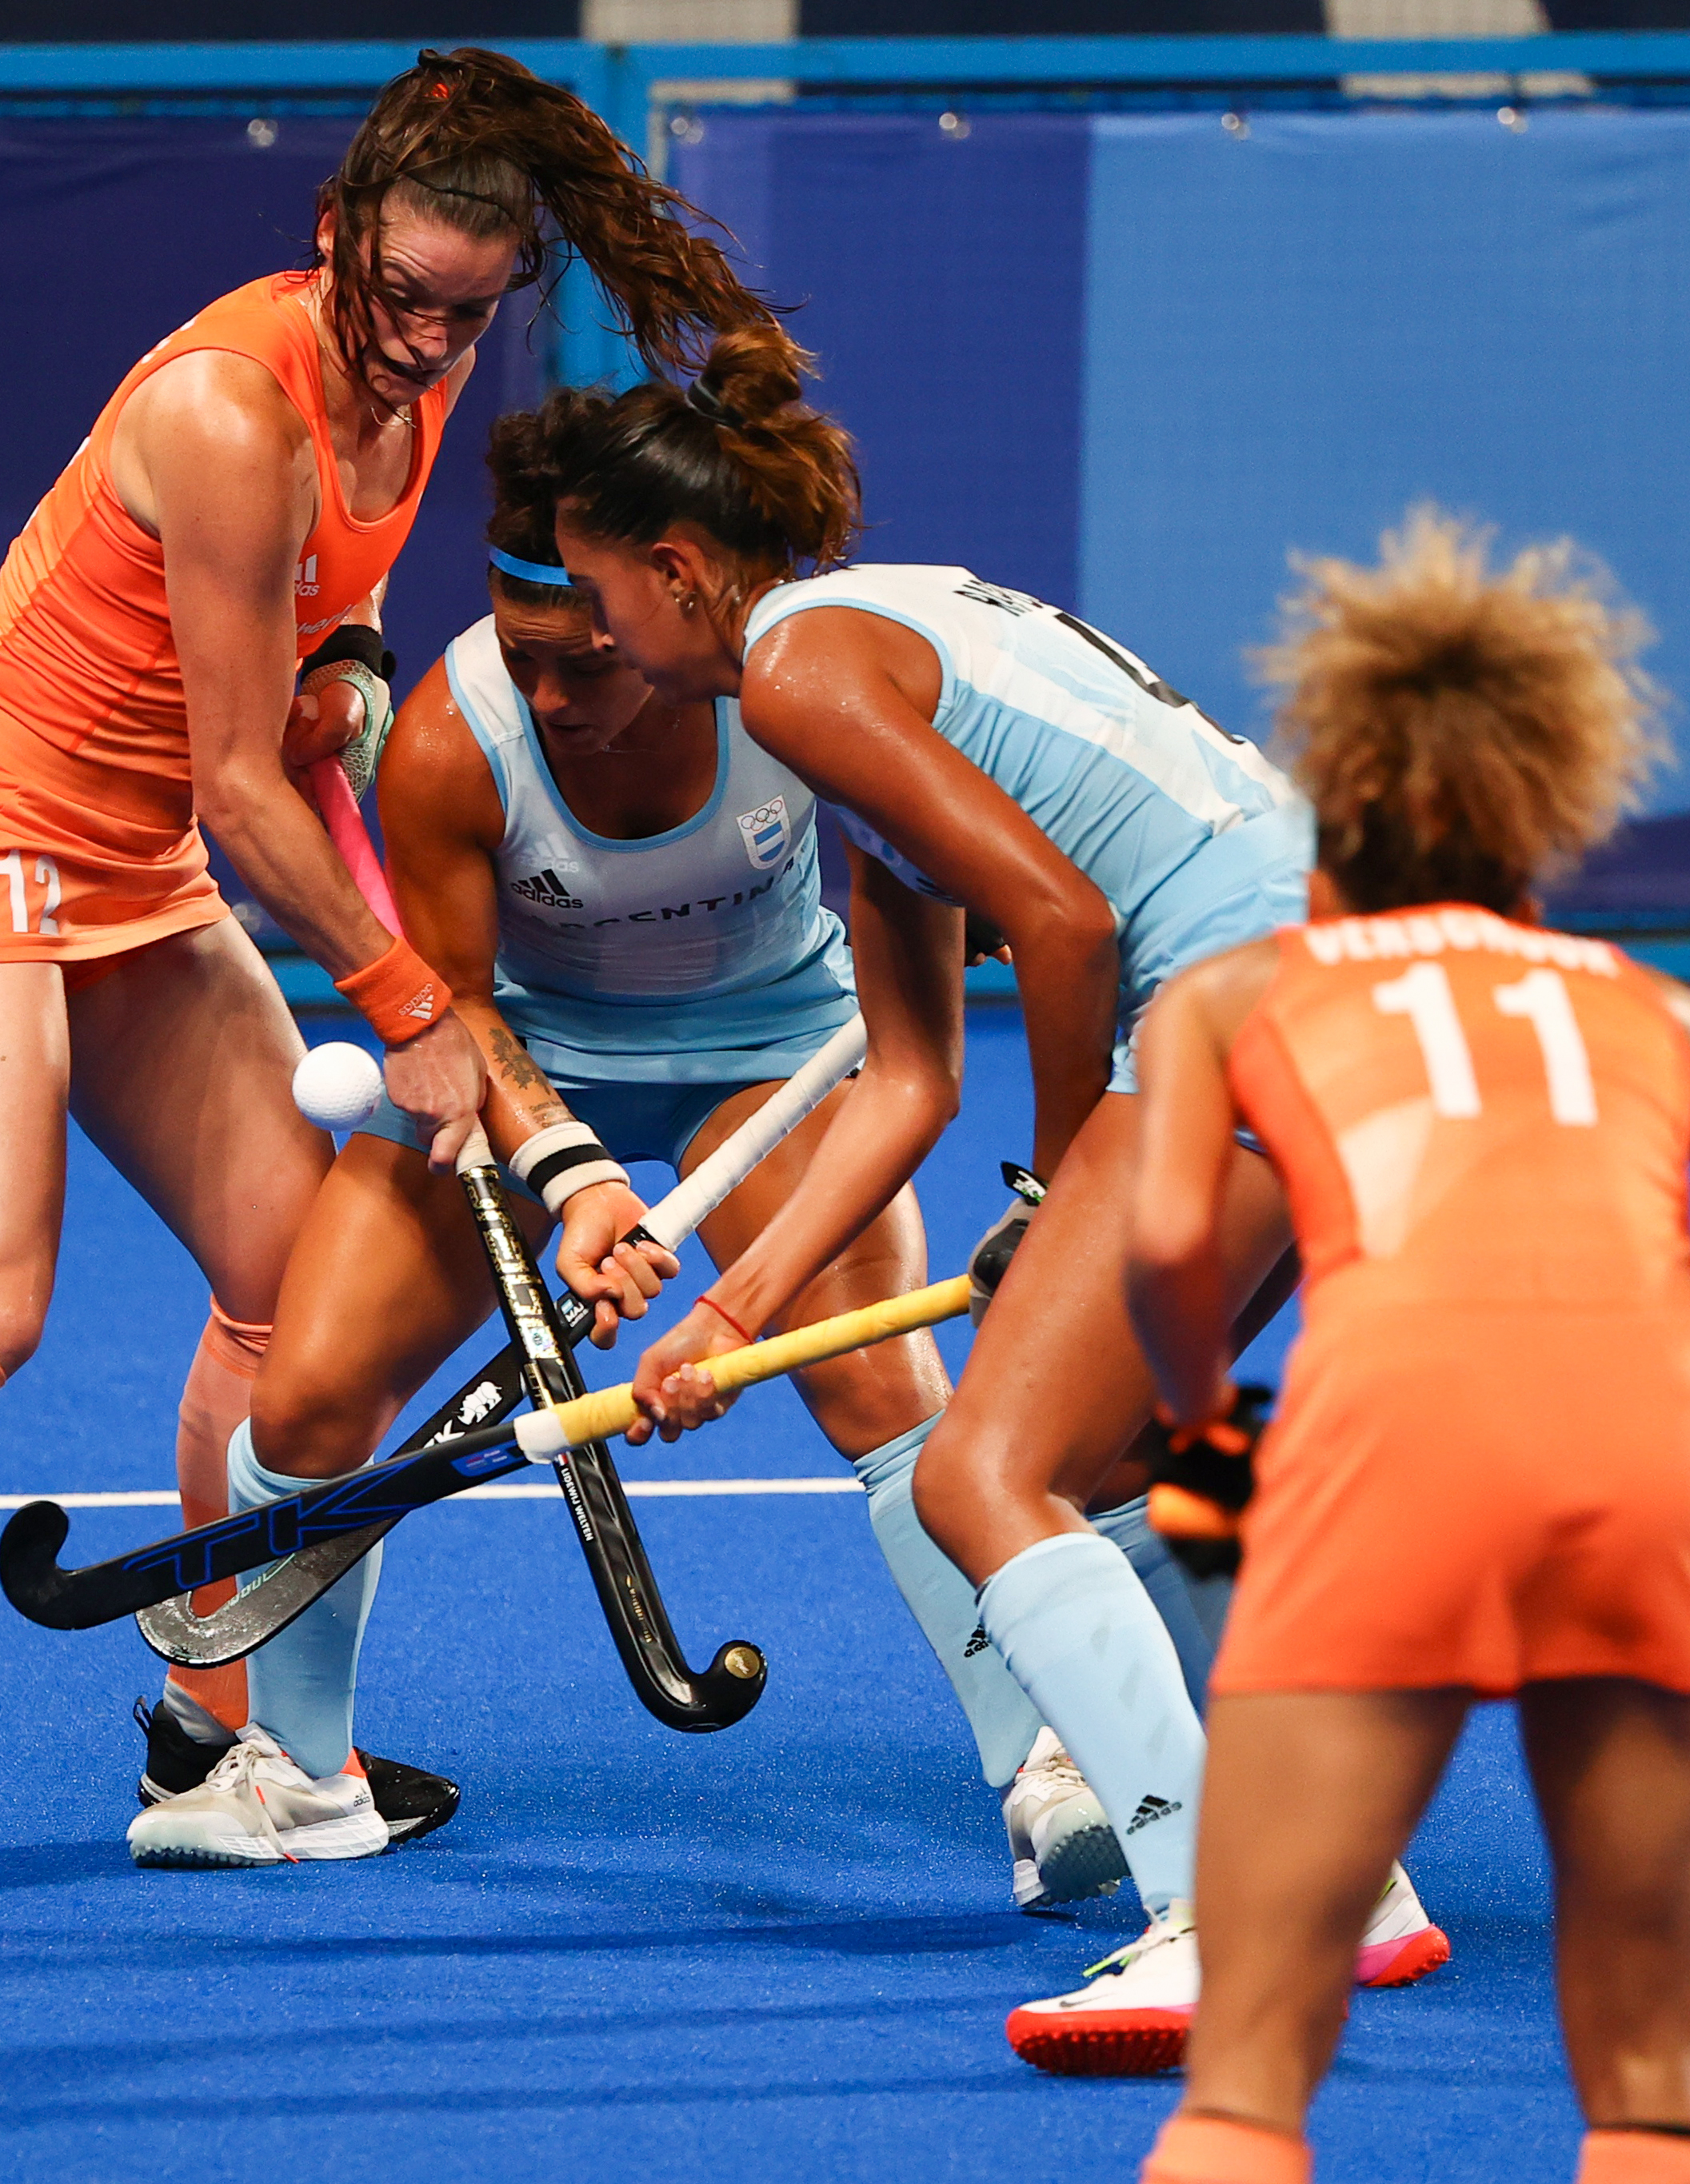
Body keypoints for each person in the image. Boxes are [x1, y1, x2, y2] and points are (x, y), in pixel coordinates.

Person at [0, 48, 789, 1920]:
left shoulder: (410, 399)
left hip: (127, 864)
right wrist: (412, 1011)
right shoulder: (224, 403)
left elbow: (309, 634)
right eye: (396, 299)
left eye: (462, 314)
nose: (422, 346)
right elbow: (236, 788)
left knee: (302, 1293)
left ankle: (213, 1733)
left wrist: (350, 665)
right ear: (335, 233)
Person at [130, 401, 1233, 1895]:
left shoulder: (784, 697)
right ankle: (306, 1777)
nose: (562, 693)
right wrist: (570, 1173)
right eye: (529, 660)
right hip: (523, 1054)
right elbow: (451, 1006)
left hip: (772, 1044)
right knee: (313, 1398)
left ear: (657, 606)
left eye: (589, 660)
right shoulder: (459, 738)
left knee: (872, 1373)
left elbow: (928, 927)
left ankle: (1047, 1762)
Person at [538, 337, 1449, 2071]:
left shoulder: (802, 680)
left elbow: (1062, 925)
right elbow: (903, 1082)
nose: (592, 633)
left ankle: (1218, 1915)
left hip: (1241, 1003)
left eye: (595, 591)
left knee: (978, 1472)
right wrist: (733, 1319)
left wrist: (1053, 1186)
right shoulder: (864, 662)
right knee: (1105, 1466)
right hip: (1356, 990)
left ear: (676, 569)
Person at [1124, 510, 1690, 2184]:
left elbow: (1169, 1238)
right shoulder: (1643, 998)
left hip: (1388, 1442)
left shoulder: (1233, 990)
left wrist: (1198, 1438)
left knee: (1246, 2079)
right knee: (1647, 2089)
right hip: (1658, 1455)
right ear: (1530, 859)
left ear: (1323, 854)